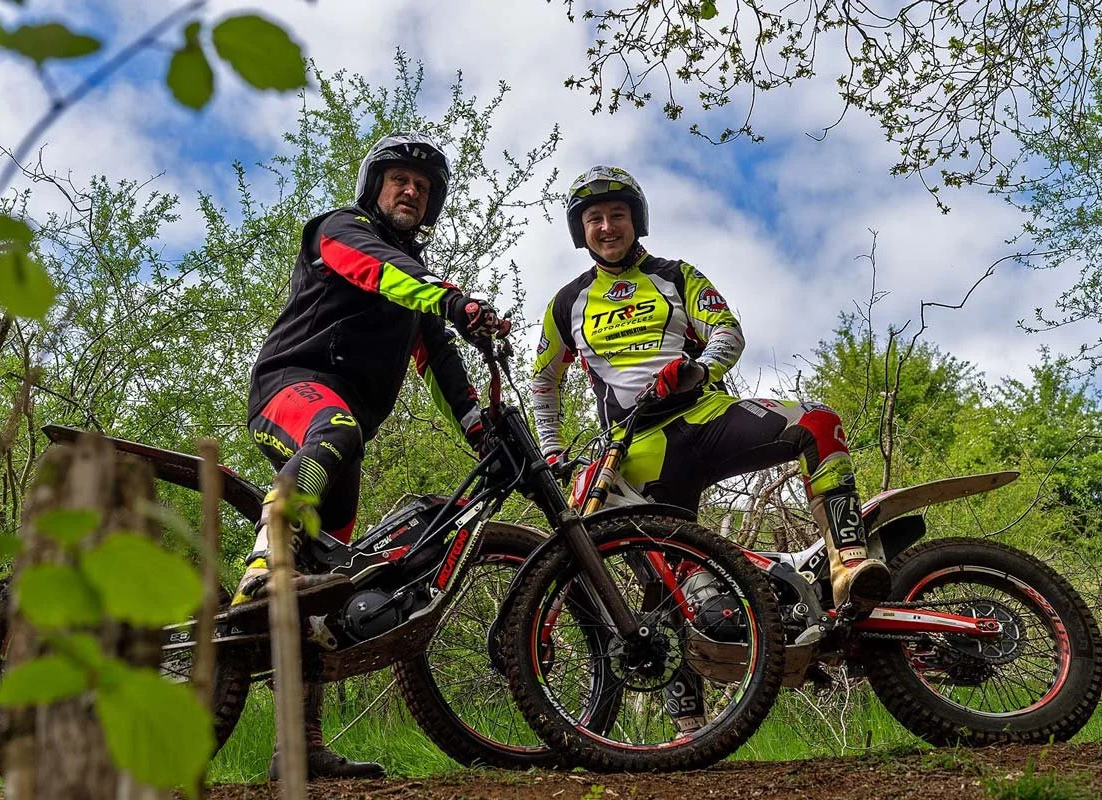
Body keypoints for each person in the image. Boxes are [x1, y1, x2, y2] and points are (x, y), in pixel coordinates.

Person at [235, 131, 507, 780]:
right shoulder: (341, 229)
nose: (410, 189)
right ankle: (256, 569)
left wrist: (485, 434)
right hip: (292, 392)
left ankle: (298, 748)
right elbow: (375, 270)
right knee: (335, 431)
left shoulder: (412, 292)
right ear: (374, 187)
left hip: (343, 441)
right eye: (398, 179)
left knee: (324, 594)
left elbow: (442, 368)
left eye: (423, 185)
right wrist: (450, 295)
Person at [531, 165, 890, 616]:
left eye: (617, 214)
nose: (607, 227)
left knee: (818, 422)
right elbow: (545, 380)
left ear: (635, 220)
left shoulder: (676, 275)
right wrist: (550, 449)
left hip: (707, 416)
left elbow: (727, 332)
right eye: (594, 218)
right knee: (690, 610)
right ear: (580, 231)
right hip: (639, 451)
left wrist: (698, 370)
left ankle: (849, 567)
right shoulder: (567, 302)